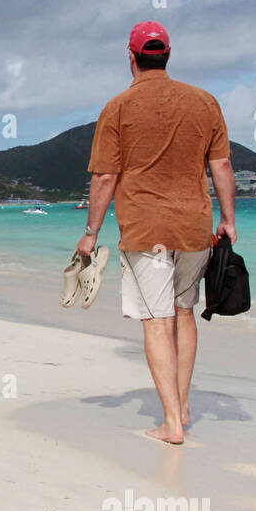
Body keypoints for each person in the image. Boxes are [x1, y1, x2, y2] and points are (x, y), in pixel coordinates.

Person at [75, 22, 236, 444]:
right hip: (195, 225)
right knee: (184, 313)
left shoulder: (118, 107)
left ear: (131, 57)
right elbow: (221, 166)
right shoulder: (205, 102)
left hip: (147, 227)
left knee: (156, 320)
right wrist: (228, 220)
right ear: (167, 54)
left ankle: (171, 424)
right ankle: (182, 406)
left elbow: (106, 177)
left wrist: (91, 232)